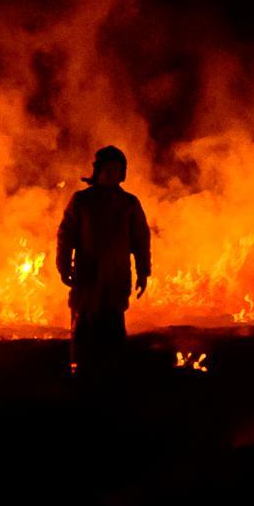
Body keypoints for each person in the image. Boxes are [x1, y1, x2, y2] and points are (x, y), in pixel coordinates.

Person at [56, 146, 152, 376]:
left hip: (116, 279)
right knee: (82, 328)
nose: (110, 173)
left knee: (113, 329)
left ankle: (113, 377)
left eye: (116, 169)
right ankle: (78, 375)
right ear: (97, 171)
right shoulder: (81, 201)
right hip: (87, 278)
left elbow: (140, 239)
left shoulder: (129, 204)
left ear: (122, 173)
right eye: (106, 169)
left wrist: (143, 271)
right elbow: (66, 233)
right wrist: (62, 264)